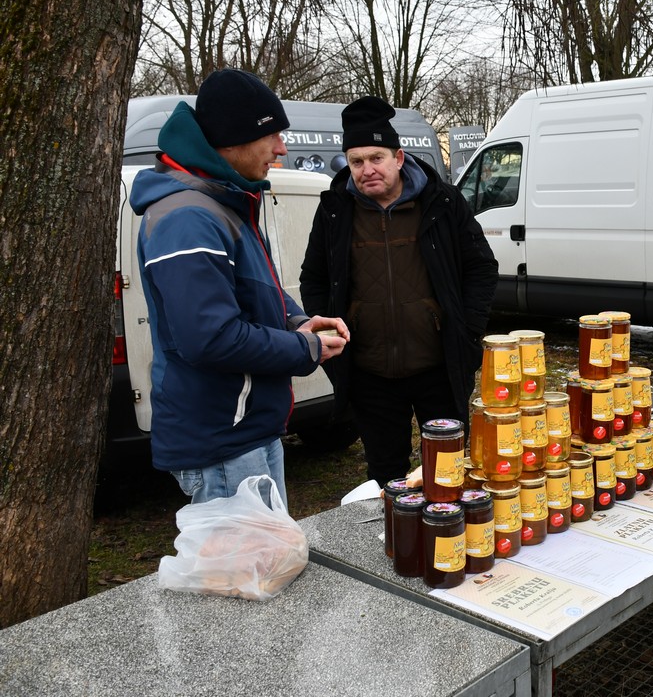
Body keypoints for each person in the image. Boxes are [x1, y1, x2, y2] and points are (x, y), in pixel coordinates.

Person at [131, 68, 349, 508]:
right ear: (232, 140)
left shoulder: (224, 201)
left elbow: (254, 289)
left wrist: (298, 320)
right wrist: (304, 349)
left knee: (270, 570)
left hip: (246, 429)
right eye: (272, 136)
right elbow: (211, 338)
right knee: (248, 577)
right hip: (222, 442)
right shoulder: (188, 218)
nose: (282, 149)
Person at [300, 96, 498, 486]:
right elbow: (314, 277)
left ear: (399, 158)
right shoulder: (335, 212)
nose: (367, 169)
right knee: (386, 477)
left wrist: (468, 328)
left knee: (447, 469)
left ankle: (449, 542)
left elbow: (482, 268)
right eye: (356, 161)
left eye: (376, 158)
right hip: (369, 373)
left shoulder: (442, 203)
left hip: (438, 368)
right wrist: (331, 331)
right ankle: (398, 544)